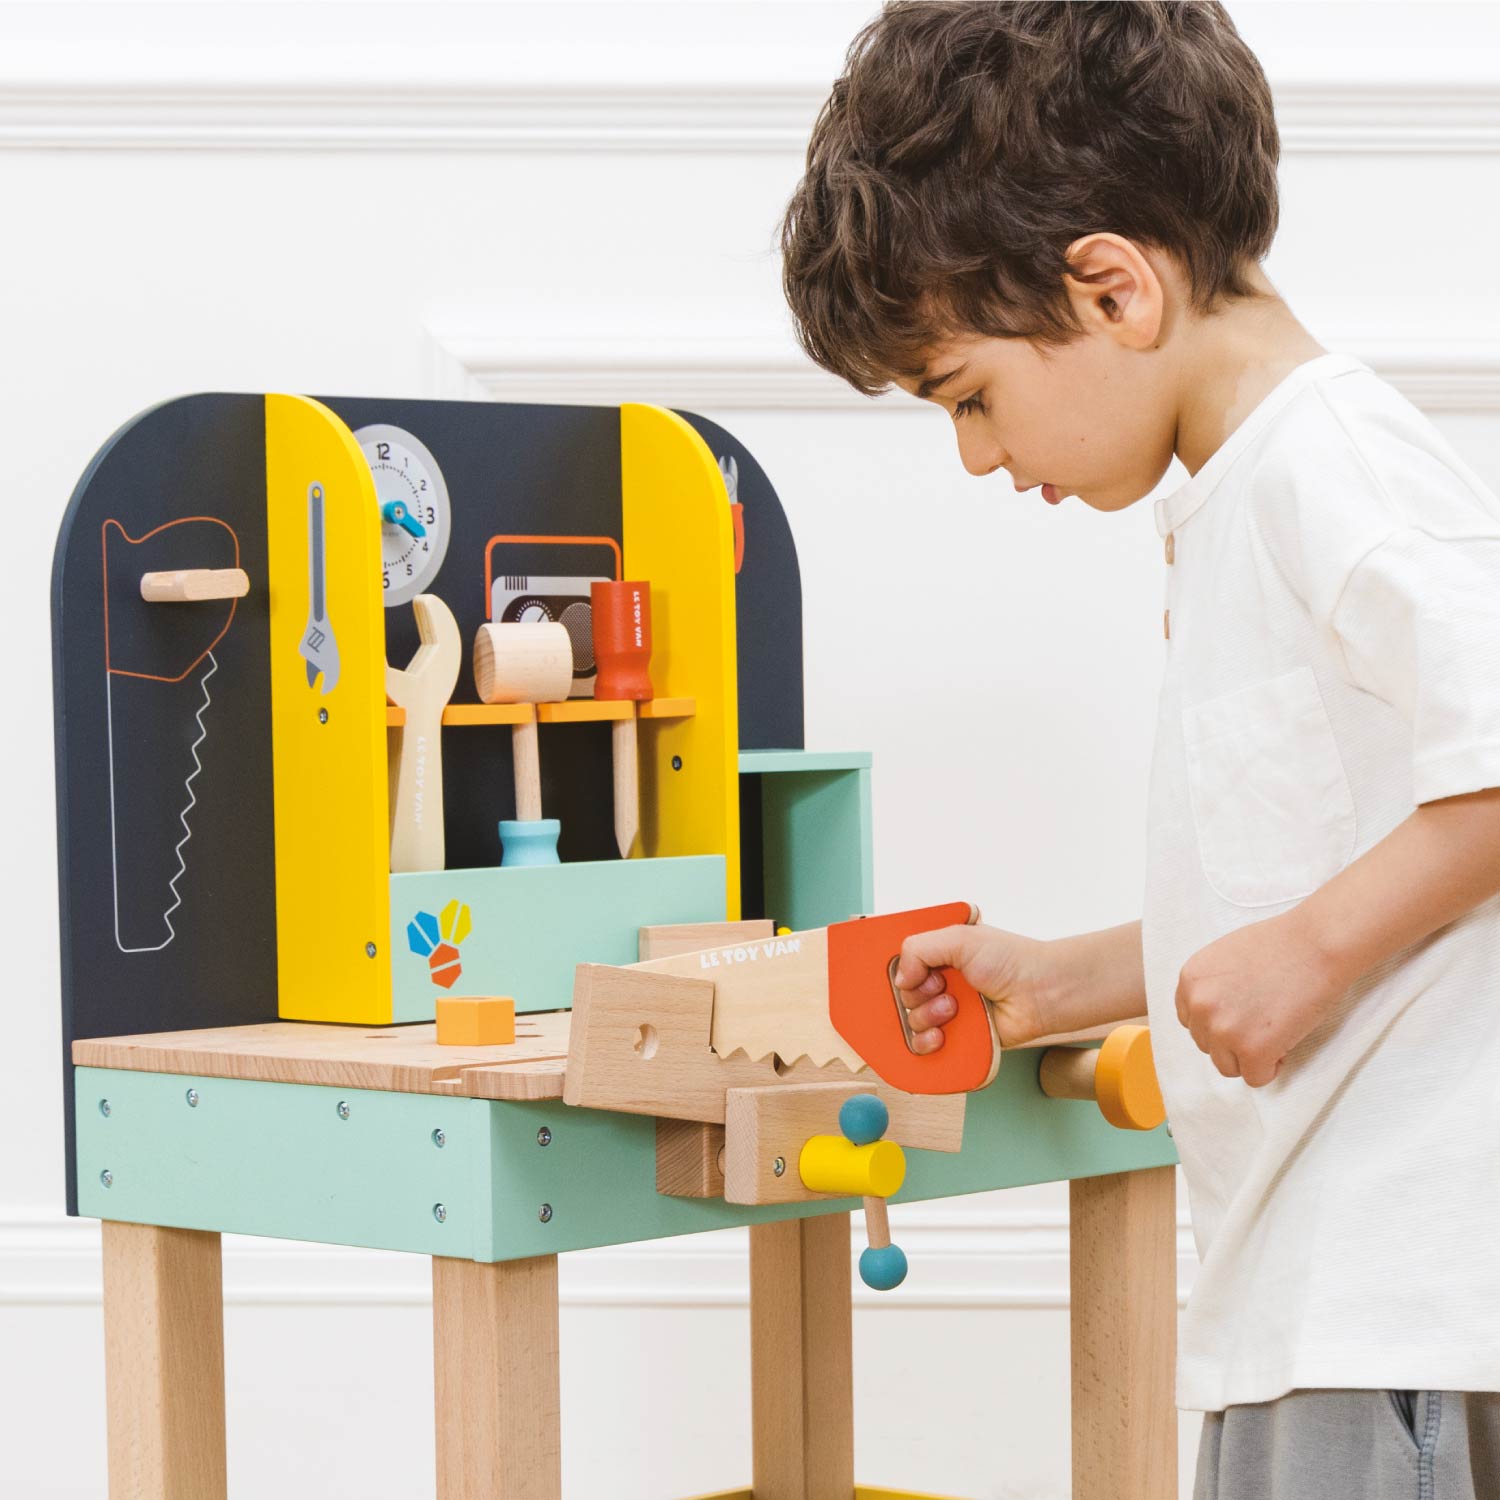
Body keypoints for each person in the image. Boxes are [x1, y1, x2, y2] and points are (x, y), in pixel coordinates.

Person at [780, 4, 1500, 1496]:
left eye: (970, 395)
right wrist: (1069, 978)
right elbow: (1320, 841)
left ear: (1110, 290)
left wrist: (1307, 950)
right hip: (1314, 1290)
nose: (979, 454)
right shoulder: (1244, 497)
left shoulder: (1332, 467)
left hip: (1394, 1299)